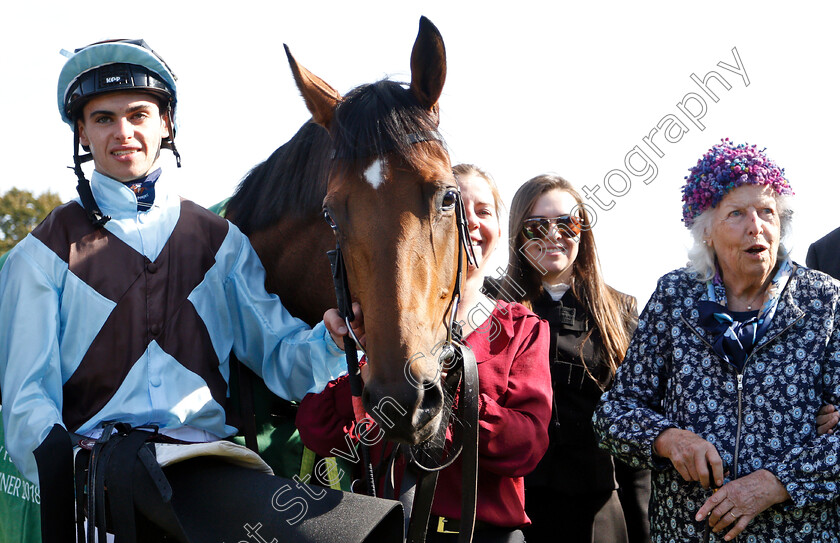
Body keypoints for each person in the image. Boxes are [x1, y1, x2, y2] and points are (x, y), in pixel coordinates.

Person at [0, 39, 403, 543]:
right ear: (82, 132)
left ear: (166, 123)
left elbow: (280, 358)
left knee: (371, 528)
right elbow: (26, 403)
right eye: (103, 118)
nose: (123, 132)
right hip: (103, 483)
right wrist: (72, 486)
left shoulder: (221, 243)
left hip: (212, 467)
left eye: (138, 115)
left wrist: (336, 340)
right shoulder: (38, 256)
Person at [593, 139, 840, 541]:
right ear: (706, 231)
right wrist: (669, 440)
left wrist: (774, 483)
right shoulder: (676, 297)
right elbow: (614, 413)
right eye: (737, 214)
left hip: (798, 532)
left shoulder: (824, 300)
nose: (755, 226)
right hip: (689, 531)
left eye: (767, 212)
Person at [295, 164, 553, 542]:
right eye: (453, 208)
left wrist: (450, 389)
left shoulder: (521, 328)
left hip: (483, 534)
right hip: (388, 531)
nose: (471, 223)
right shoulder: (388, 329)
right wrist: (366, 367)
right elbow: (318, 430)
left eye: (484, 211)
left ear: (499, 229)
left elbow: (526, 447)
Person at [486, 174, 649, 543]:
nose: (553, 234)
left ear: (583, 231)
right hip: (511, 506)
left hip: (598, 507)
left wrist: (644, 530)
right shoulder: (488, 305)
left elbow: (635, 430)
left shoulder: (620, 311)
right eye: (536, 226)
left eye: (567, 223)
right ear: (517, 235)